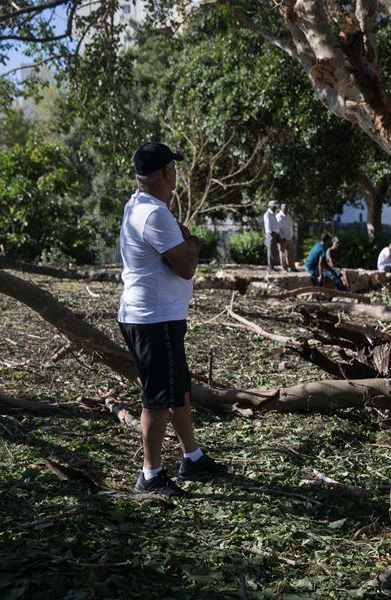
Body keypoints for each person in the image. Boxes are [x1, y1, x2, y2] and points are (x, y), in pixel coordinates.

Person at [118, 142, 227, 497]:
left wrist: (185, 241)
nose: (176, 173)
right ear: (167, 172)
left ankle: (191, 457)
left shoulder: (140, 206)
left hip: (156, 316)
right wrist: (193, 244)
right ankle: (150, 475)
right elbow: (186, 265)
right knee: (158, 398)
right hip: (153, 319)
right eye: (174, 168)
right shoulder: (154, 214)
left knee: (178, 390)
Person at [276, 203, 295, 271]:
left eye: (287, 208)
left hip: (289, 237)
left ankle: (292, 267)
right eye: (285, 208)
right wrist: (280, 237)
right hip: (283, 238)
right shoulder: (278, 216)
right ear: (281, 208)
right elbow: (277, 228)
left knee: (291, 253)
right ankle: (284, 267)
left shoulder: (288, 215)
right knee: (282, 253)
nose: (286, 209)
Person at [263, 200, 279, 272]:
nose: (275, 207)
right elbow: (268, 226)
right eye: (274, 206)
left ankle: (272, 266)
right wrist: (272, 234)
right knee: (270, 251)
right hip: (271, 234)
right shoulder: (267, 214)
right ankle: (270, 267)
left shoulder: (273, 214)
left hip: (274, 234)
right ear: (270, 206)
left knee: (274, 251)